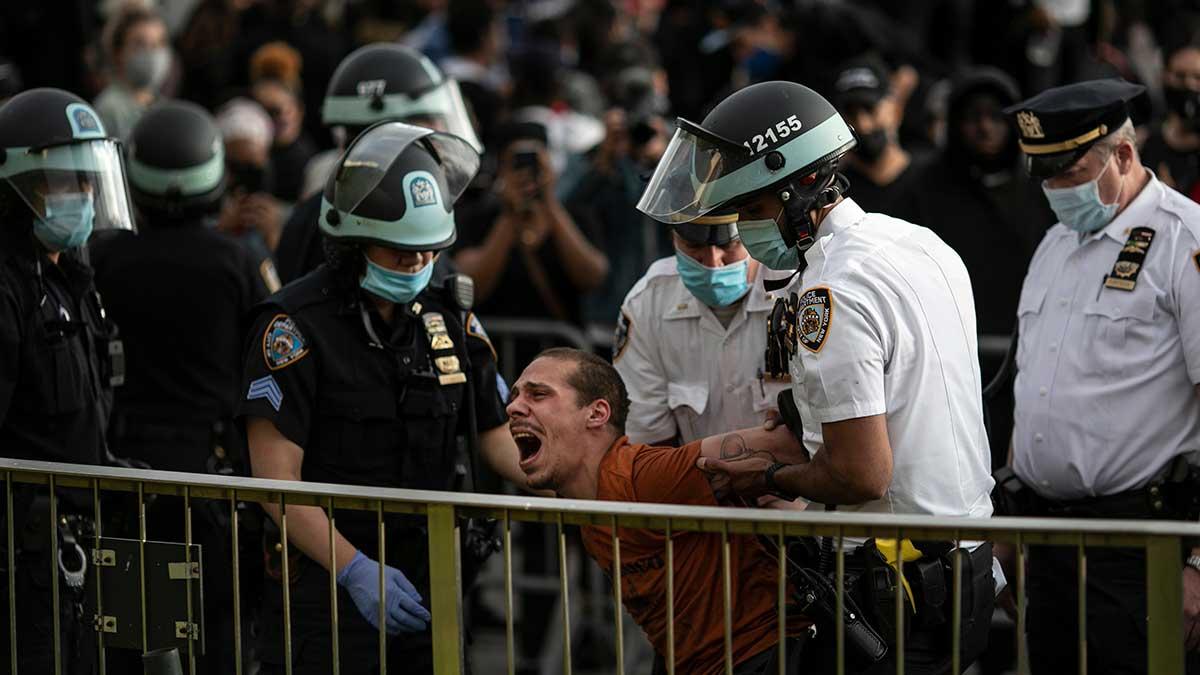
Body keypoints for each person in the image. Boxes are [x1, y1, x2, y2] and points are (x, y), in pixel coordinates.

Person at [636, 80, 996, 673]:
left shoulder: (833, 287)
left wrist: (772, 475)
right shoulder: (918, 243)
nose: (744, 233)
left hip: (892, 589)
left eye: (751, 212)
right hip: (962, 566)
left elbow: (861, 473)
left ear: (796, 191)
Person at [238, 121, 527, 675]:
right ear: (352, 243)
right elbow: (275, 483)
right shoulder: (292, 327)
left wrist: (580, 480)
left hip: (432, 587)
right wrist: (354, 570)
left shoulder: (448, 313)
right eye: (399, 253)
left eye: (428, 252)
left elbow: (496, 435)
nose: (417, 266)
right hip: (328, 591)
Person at [1001, 78, 1200, 674]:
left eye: (1070, 171)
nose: (1056, 189)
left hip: (1143, 543)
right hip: (1050, 541)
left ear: (1123, 154)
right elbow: (1035, 389)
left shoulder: (1183, 240)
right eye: (1045, 175)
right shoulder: (1054, 244)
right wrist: (1013, 527)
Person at [90, 100, 272, 673]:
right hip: (210, 474)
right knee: (214, 631)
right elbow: (266, 356)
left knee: (125, 630)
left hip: (122, 469)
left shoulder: (102, 257)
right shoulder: (236, 262)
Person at [506, 347, 813, 675]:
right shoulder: (589, 507)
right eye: (514, 396)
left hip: (762, 658)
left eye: (538, 394)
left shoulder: (647, 475)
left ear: (596, 414)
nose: (513, 407)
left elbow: (784, 445)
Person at [0, 88, 135, 674]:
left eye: (89, 182)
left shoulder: (72, 279)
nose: (83, 196)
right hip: (20, 563)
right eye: (65, 183)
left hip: (75, 549)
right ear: (18, 188)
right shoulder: (9, 288)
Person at [894, 67, 1056, 465]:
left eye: (995, 117)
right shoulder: (923, 187)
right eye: (972, 118)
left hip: (1032, 356)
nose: (984, 128)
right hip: (946, 361)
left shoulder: (1043, 187)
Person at [275, 42, 482, 284]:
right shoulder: (344, 222)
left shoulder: (325, 210)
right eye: (429, 124)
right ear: (391, 132)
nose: (438, 138)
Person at [613, 211, 798, 445]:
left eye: (730, 245)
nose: (712, 263)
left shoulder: (796, 289)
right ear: (674, 238)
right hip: (696, 476)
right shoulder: (647, 305)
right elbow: (648, 441)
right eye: (693, 245)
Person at [453, 122, 609, 330]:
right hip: (498, 348)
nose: (525, 171)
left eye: (535, 161)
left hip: (561, 350)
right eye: (515, 163)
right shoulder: (479, 218)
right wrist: (509, 214)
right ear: (500, 167)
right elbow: (472, 285)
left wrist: (550, 202)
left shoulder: (576, 215)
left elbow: (593, 276)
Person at [828, 56, 922, 216]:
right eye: (850, 113)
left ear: (896, 110)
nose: (863, 125)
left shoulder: (931, 180)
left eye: (870, 109)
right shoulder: (836, 198)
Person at [215, 97, 284, 259]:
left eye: (252, 170)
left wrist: (274, 237)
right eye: (235, 166)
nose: (241, 180)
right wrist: (220, 230)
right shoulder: (204, 211)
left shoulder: (279, 216)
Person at [250, 42, 318, 205]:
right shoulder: (249, 153)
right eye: (260, 112)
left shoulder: (307, 161)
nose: (266, 122)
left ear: (299, 111)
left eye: (275, 112)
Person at [93, 4, 171, 141]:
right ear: (118, 53)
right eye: (139, 44)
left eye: (158, 43)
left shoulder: (163, 105)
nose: (151, 53)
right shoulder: (108, 110)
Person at [1141, 39, 1200, 202]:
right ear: (1164, 77)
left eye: (1197, 77)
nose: (1189, 84)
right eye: (1180, 76)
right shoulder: (1144, 141)